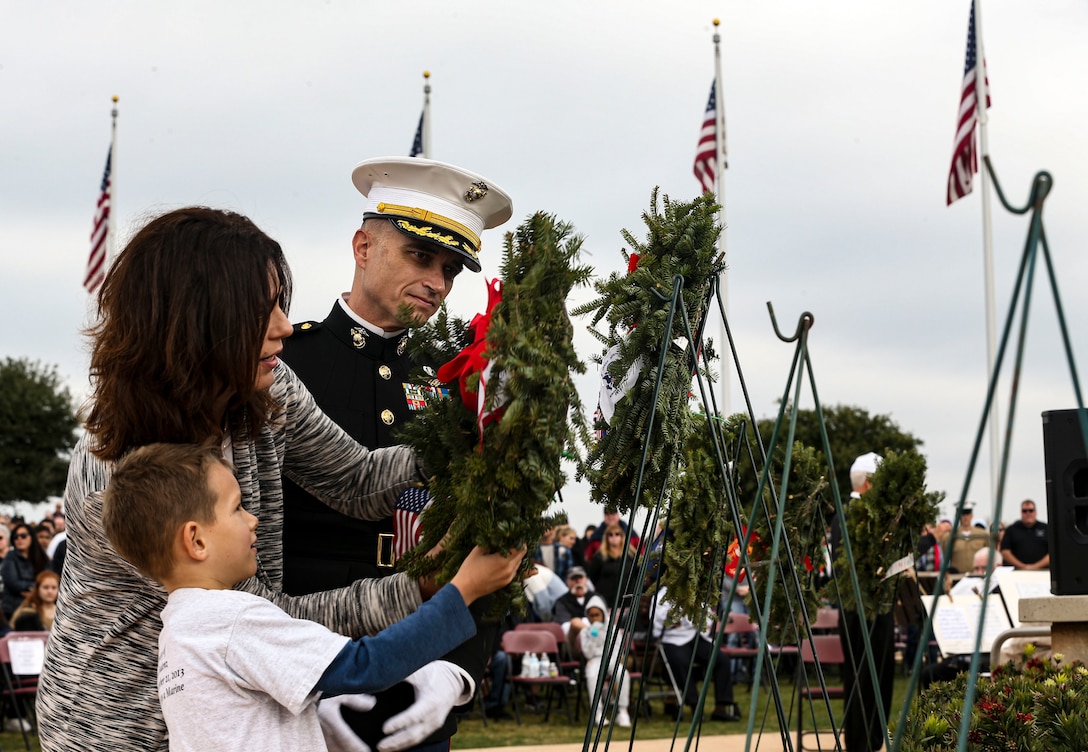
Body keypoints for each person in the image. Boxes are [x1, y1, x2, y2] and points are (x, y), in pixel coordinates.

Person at [36, 207, 439, 752]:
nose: (285, 327)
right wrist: (426, 590)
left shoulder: (266, 387)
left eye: (280, 302)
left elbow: (355, 480)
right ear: (195, 324)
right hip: (126, 730)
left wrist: (463, 431)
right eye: (260, 309)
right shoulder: (121, 476)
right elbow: (268, 619)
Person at [279, 157, 514, 752]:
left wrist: (453, 670)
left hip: (423, 665)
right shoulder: (285, 366)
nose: (437, 281)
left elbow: (489, 536)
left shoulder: (457, 383)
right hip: (303, 671)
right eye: (419, 256)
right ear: (363, 246)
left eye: (451, 269)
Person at [101, 440, 522, 752]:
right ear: (196, 540)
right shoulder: (234, 620)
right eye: (236, 508)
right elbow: (364, 666)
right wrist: (462, 589)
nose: (252, 519)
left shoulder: (179, 627)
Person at [834, 451, 896, 752]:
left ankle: (872, 738)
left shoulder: (877, 514)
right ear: (869, 484)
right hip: (858, 608)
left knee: (882, 676)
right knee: (862, 676)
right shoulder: (847, 514)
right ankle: (861, 743)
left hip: (879, 605)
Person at [651, 586, 739, 723]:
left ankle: (721, 707)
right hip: (672, 638)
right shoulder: (663, 594)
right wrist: (678, 614)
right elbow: (659, 618)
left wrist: (693, 615)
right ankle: (695, 706)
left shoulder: (695, 589)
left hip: (695, 635)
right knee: (681, 662)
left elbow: (707, 617)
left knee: (721, 660)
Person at [579, 595, 631, 727]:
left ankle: (622, 711)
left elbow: (619, 649)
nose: (594, 618)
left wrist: (612, 660)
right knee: (592, 676)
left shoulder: (613, 629)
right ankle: (598, 713)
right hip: (594, 660)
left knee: (622, 674)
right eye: (591, 615)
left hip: (611, 659)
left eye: (597, 615)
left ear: (603, 613)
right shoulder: (585, 632)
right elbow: (588, 653)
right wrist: (593, 636)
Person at [1, 522, 50, 618]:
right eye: (15, 536)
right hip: (13, 608)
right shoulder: (10, 557)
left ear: (31, 537)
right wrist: (36, 588)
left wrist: (34, 590)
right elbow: (13, 583)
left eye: (23, 536)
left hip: (39, 607)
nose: (19, 539)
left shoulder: (42, 557)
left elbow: (49, 578)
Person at [587, 522, 639, 611]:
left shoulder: (632, 556)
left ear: (622, 536)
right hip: (607, 601)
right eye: (610, 535)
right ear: (606, 538)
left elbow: (637, 575)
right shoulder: (599, 557)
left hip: (627, 600)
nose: (614, 537)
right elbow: (593, 577)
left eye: (617, 534)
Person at [553, 566, 595, 656]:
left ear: (586, 580)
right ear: (567, 582)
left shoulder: (595, 598)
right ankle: (596, 637)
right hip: (572, 643)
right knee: (575, 622)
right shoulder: (562, 602)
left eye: (580, 578)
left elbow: (604, 621)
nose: (578, 581)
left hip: (597, 635)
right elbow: (565, 626)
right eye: (573, 579)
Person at [1000, 499, 1049, 570]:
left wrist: (1035, 567)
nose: (1028, 513)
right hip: (1017, 572)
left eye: (1031, 510)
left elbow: (1053, 553)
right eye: (1024, 511)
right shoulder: (1011, 530)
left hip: (1043, 572)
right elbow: (1005, 552)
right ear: (1021, 513)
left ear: (1035, 512)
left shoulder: (1046, 529)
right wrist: (1023, 567)